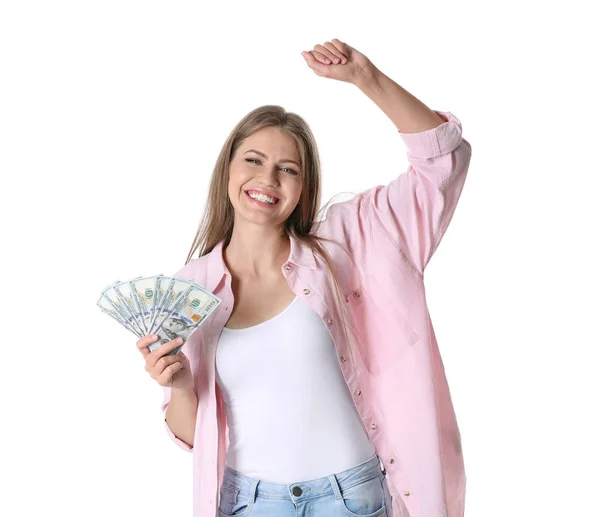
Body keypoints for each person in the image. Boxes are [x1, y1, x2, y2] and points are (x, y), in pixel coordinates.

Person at [136, 39, 472, 517]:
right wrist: (183, 386)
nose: (267, 179)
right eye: (253, 160)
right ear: (228, 168)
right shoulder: (188, 288)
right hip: (248, 503)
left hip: (351, 498)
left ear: (304, 186)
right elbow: (193, 437)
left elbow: (444, 161)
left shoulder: (351, 241)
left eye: (287, 169)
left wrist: (365, 77)